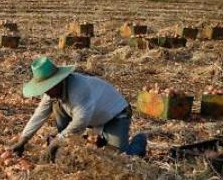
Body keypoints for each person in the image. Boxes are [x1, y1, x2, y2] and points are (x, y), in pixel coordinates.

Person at [10, 56, 147, 161]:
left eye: (48, 87)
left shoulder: (79, 88)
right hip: (94, 117)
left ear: (59, 81)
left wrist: (57, 141)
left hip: (115, 115)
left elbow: (80, 123)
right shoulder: (51, 93)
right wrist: (23, 139)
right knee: (55, 104)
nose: (46, 92)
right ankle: (69, 145)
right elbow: (39, 115)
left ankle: (139, 141)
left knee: (118, 158)